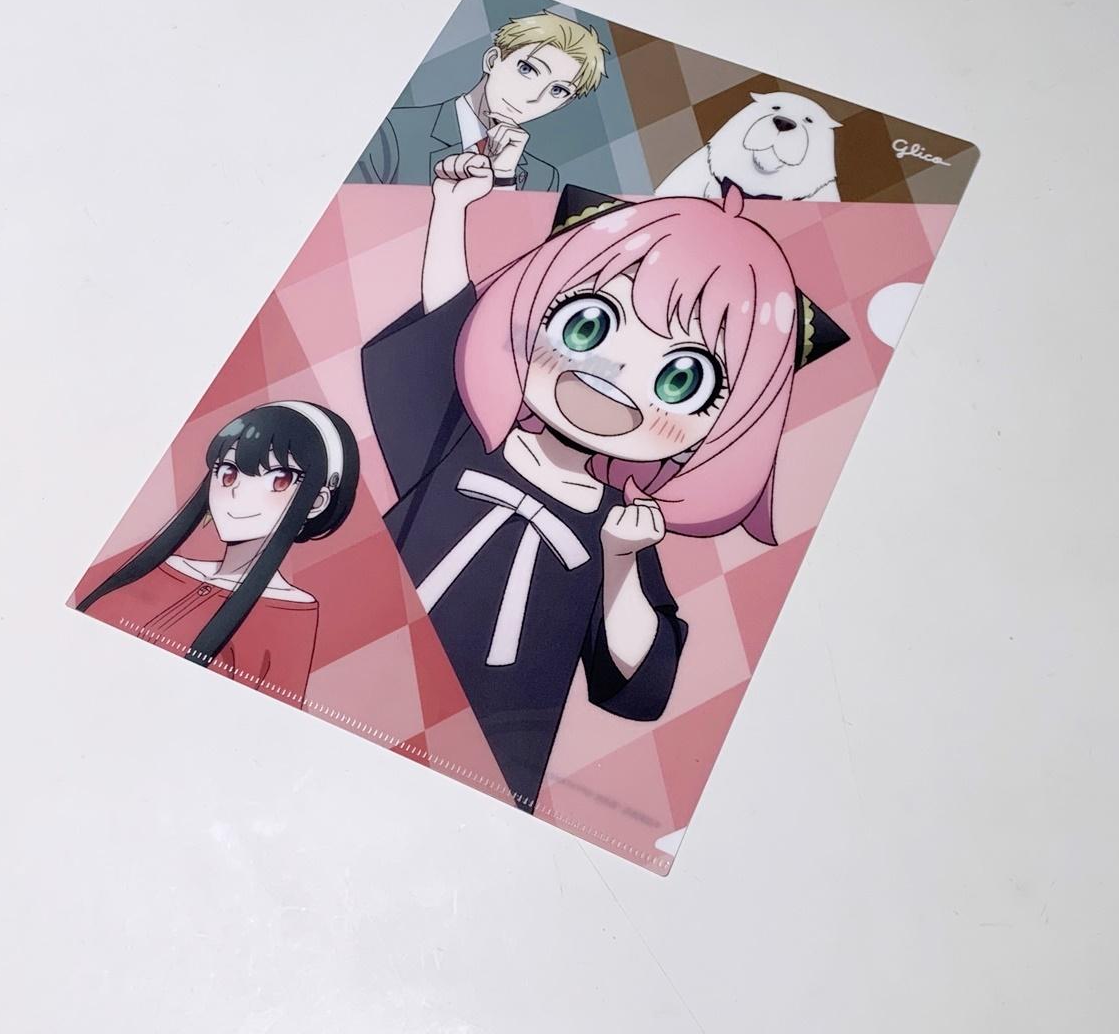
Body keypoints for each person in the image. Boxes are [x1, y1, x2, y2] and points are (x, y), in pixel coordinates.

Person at [360, 153, 843, 811]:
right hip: (355, 669)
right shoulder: (462, 439)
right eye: (587, 325)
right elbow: (443, 329)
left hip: (484, 756)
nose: (612, 375)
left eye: (681, 379)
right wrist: (450, 211)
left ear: (726, 424)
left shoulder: (617, 527)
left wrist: (620, 563)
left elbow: (637, 685)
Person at [74, 401, 360, 703]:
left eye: (278, 480)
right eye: (228, 472)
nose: (237, 492)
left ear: (316, 502)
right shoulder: (163, 568)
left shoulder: (289, 615)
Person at [347, 13, 607, 192]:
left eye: (558, 90)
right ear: (492, 60)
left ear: (563, 104)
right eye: (527, 69)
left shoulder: (543, 177)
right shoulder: (393, 131)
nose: (534, 96)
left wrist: (503, 179)